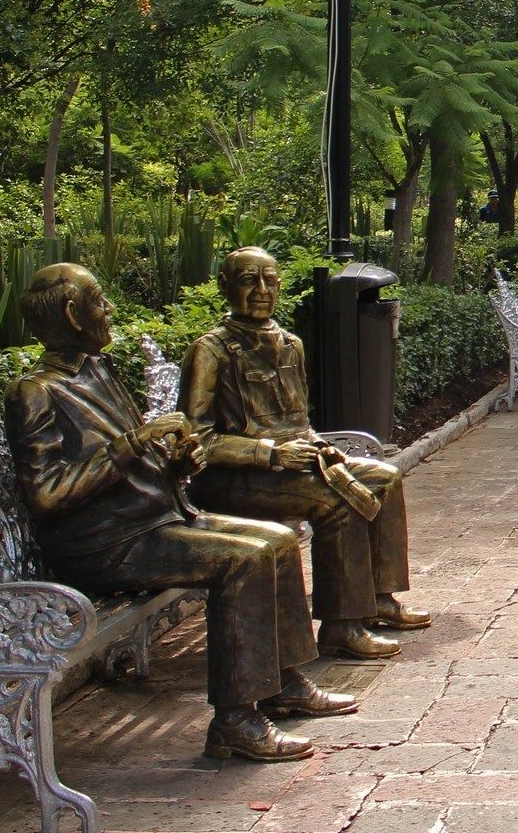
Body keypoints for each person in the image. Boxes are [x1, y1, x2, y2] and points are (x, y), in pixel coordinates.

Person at [4, 264, 356, 764]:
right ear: (72, 314)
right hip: (105, 543)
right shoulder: (36, 391)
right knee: (243, 561)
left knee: (277, 540)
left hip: (157, 518)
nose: (109, 311)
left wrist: (176, 462)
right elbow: (47, 494)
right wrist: (133, 444)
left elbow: (133, 460)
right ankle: (234, 722)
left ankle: (284, 683)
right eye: (100, 301)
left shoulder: (97, 370)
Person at [181, 248, 430, 661]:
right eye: (249, 280)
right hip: (236, 477)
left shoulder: (290, 344)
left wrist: (317, 444)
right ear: (226, 287)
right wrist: (270, 453)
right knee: (336, 502)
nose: (262, 290)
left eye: (270, 280)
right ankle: (341, 625)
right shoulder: (211, 351)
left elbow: (298, 422)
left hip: (294, 468)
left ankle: (379, 598)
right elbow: (197, 439)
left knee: (384, 478)